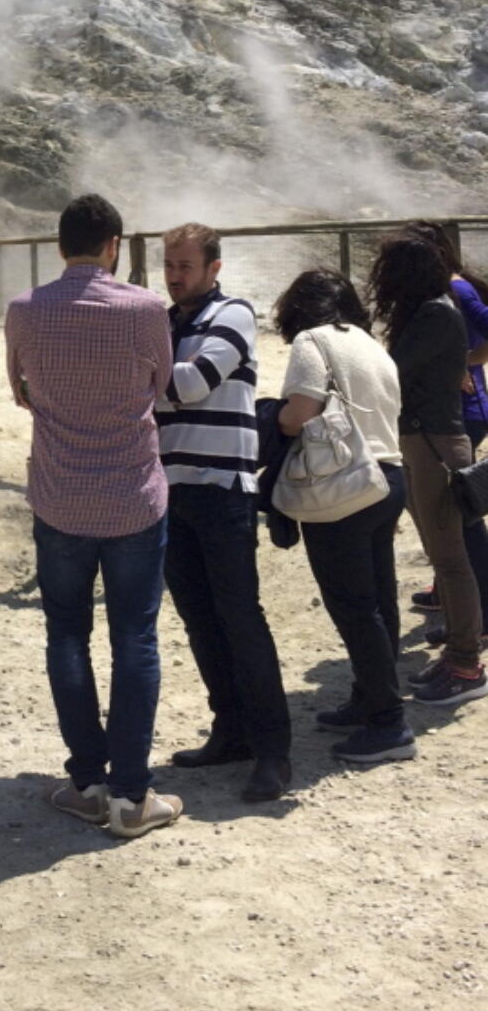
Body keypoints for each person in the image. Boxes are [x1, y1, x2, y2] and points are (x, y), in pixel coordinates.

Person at [5, 193, 182, 840]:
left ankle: (87, 782)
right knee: (134, 637)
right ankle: (131, 797)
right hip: (133, 497)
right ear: (114, 244)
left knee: (66, 634)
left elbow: (19, 391)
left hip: (59, 497)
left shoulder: (25, 310)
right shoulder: (144, 309)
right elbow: (160, 384)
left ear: (60, 246)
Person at [156, 222, 292, 802]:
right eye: (169, 265)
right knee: (200, 620)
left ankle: (274, 753)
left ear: (214, 268)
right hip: (170, 490)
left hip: (221, 490)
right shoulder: (162, 323)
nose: (175, 276)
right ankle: (230, 731)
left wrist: (131, 377)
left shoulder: (233, 314)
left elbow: (190, 384)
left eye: (186, 266)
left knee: (241, 618)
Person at [274, 269, 415, 762]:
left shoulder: (312, 342)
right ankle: (371, 698)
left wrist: (275, 418)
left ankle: (388, 722)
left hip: (344, 485)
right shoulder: (370, 345)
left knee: (354, 607)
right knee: (379, 599)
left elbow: (301, 412)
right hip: (389, 477)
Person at [369, 233, 487, 706]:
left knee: (452, 561)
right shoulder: (430, 311)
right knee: (445, 559)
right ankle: (460, 654)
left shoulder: (435, 312)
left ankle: (466, 664)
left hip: (435, 446)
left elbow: (391, 369)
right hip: (425, 441)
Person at [399, 222, 488, 627]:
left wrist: (464, 361)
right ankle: (452, 601)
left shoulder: (456, 290)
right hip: (443, 415)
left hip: (459, 415)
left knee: (460, 524)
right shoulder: (437, 293)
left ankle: (479, 614)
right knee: (445, 524)